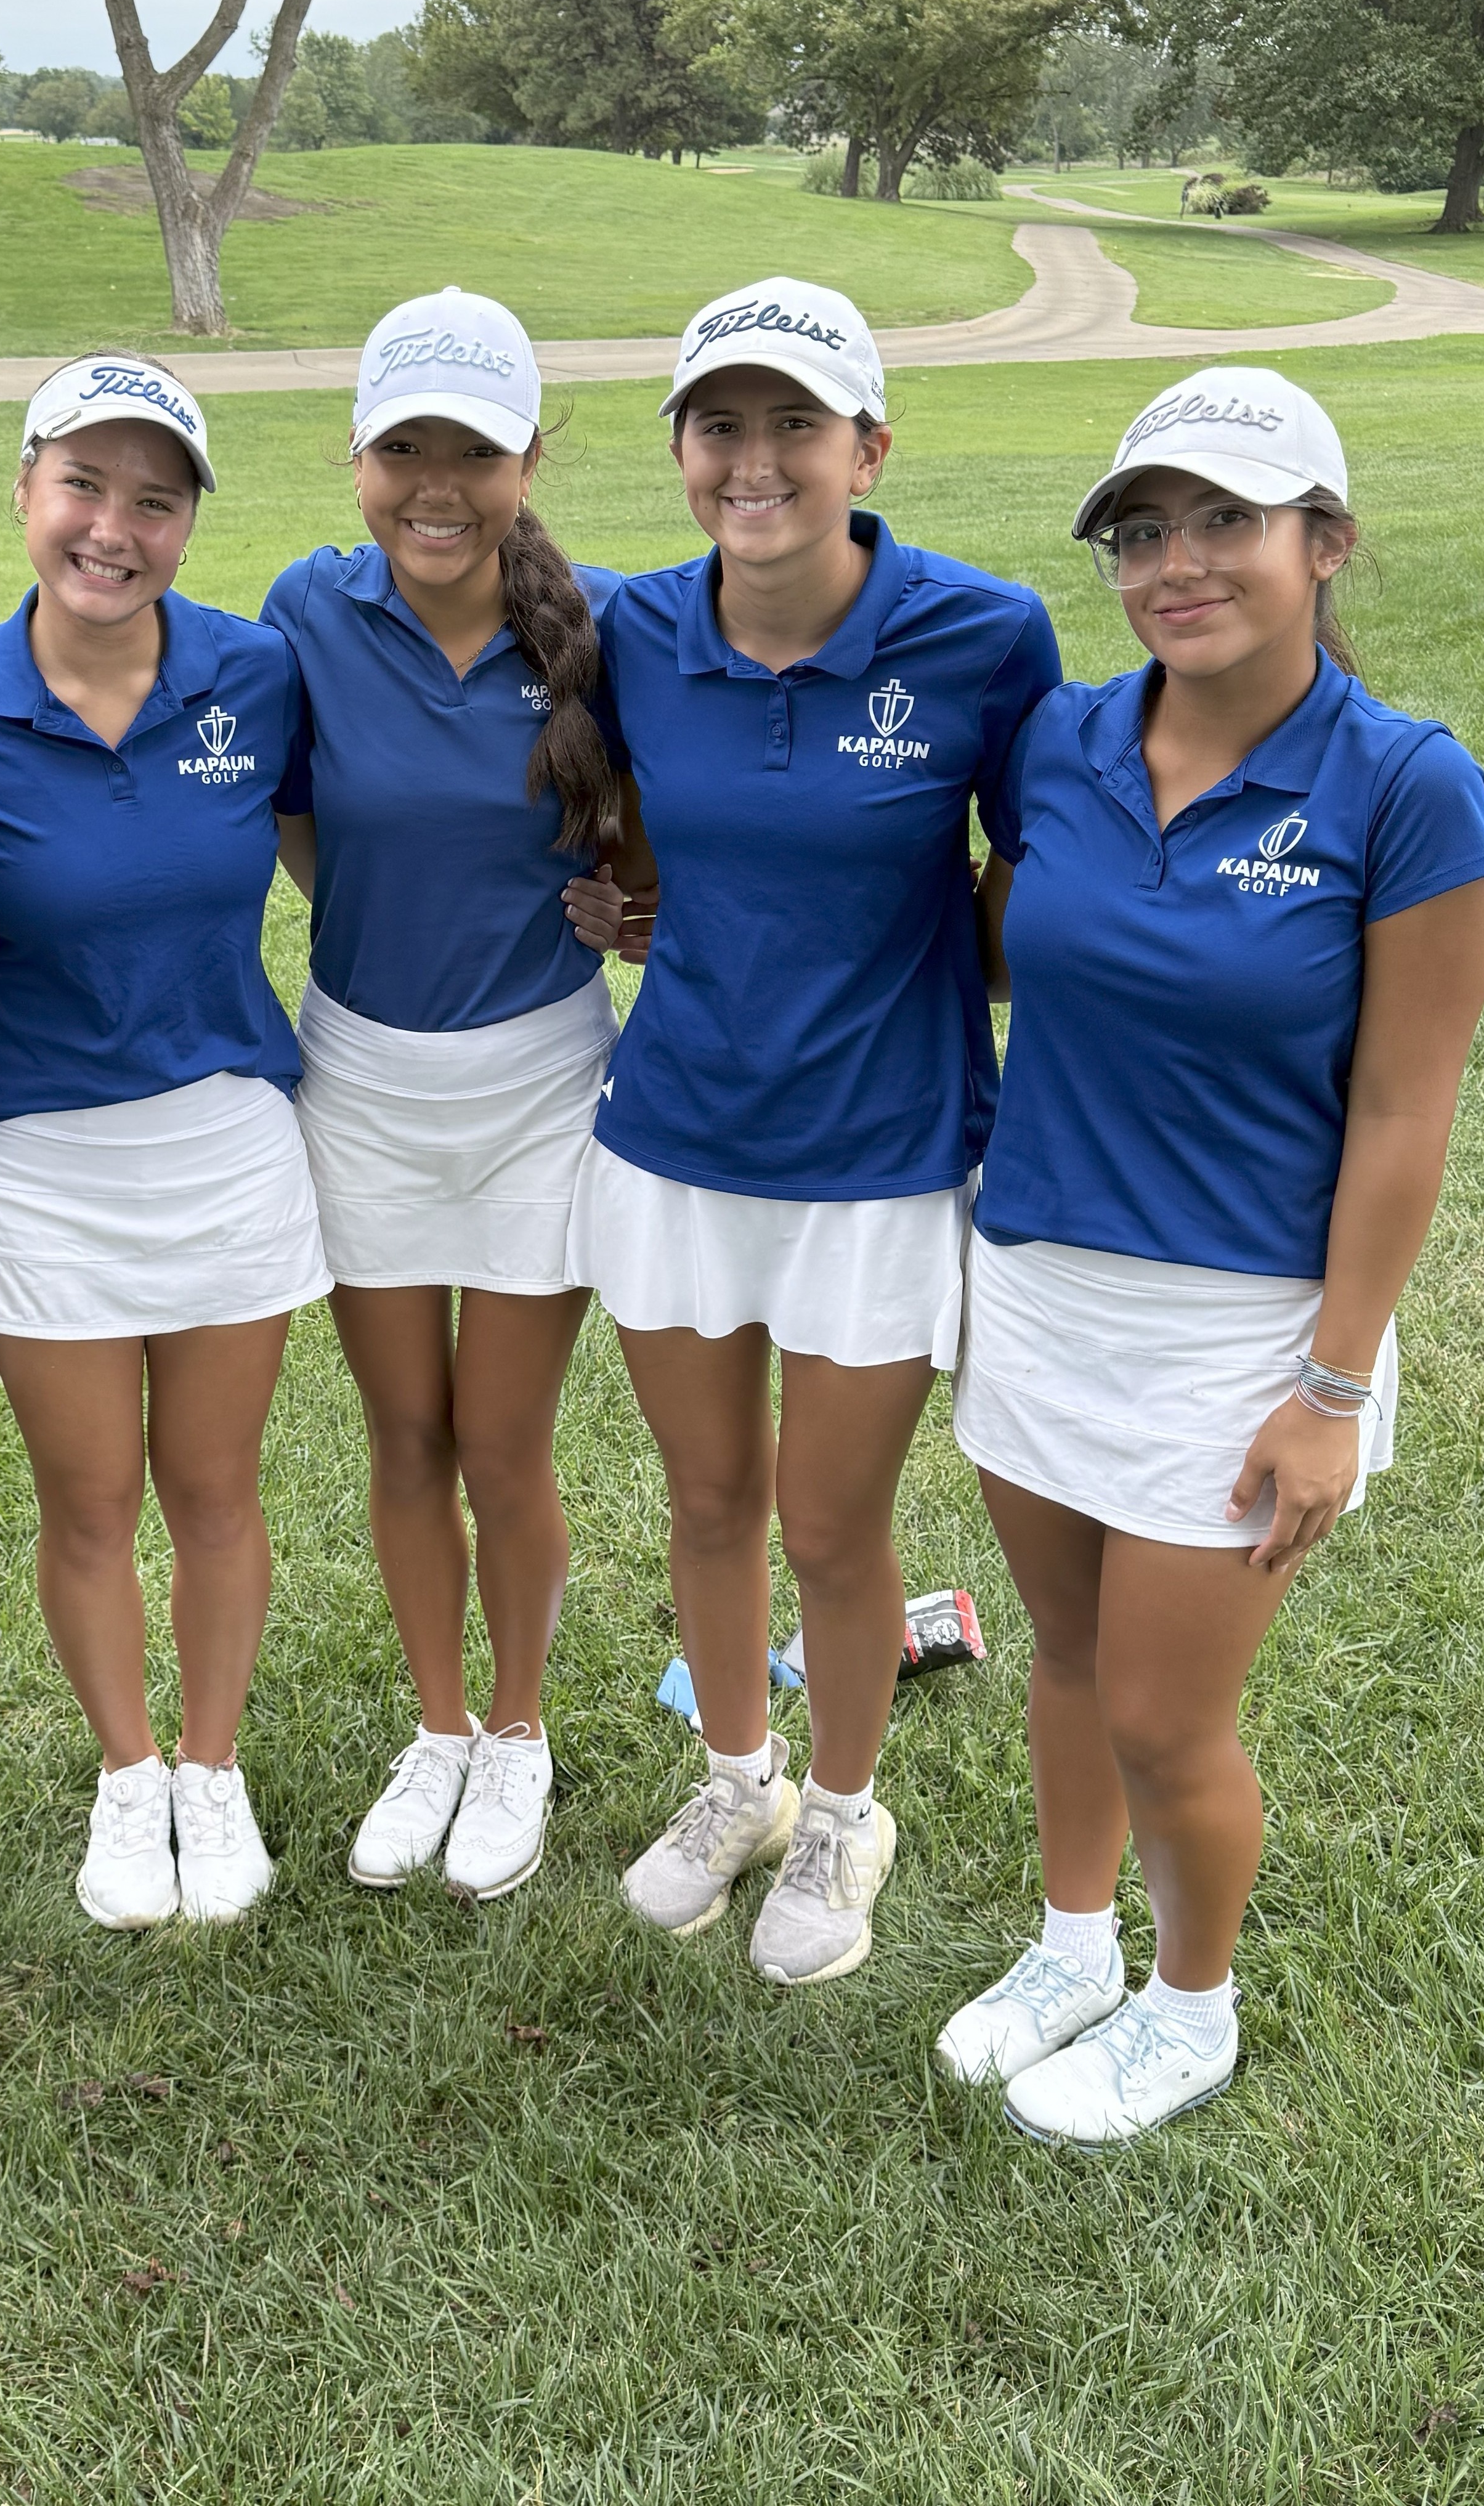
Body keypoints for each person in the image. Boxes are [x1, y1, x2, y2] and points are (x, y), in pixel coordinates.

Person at [938, 368, 1484, 2142]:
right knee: (1058, 1654)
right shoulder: (1066, 742)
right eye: (1141, 531)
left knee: (1163, 1715)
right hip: (1037, 1277)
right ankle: (1069, 1942)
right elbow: (1012, 950)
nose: (1176, 565)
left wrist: (1330, 1386)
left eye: (1225, 524)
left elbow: (1403, 1116)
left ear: (1322, 544)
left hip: (1245, 1327)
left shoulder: (1409, 787)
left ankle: (1191, 2002)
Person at [570, 278, 1061, 1980]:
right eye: (720, 425)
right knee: (706, 1498)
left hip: (879, 1153)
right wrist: (617, 891)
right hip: (675, 1137)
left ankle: (846, 1809)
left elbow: (1034, 891)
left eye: (795, 424)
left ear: (868, 444)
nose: (754, 460)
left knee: (833, 1527)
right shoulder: (632, 628)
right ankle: (738, 1782)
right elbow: (626, 819)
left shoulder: (985, 638)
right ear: (685, 449)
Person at [0, 356, 328, 1930]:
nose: (113, 527)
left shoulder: (259, 675)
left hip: (223, 1135)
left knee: (213, 1493)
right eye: (82, 486)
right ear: (23, 495)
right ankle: (127, 1770)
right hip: (38, 1155)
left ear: (190, 524)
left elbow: (351, 838)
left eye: (154, 498)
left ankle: (211, 1775)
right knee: (85, 1507)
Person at [262, 287, 630, 1900]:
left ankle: (522, 1728)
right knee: (400, 1429)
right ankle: (439, 1725)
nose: (434, 482)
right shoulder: (304, 612)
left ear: (528, 457)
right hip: (357, 1077)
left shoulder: (605, 625)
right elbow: (285, 812)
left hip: (544, 1081)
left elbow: (663, 834)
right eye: (401, 445)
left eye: (470, 450)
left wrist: (628, 900)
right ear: (354, 457)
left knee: (499, 1436)